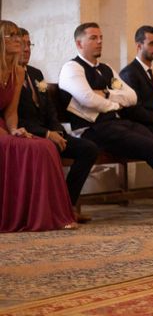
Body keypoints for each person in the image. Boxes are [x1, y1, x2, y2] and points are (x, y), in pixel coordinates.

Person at [57, 22, 153, 214]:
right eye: (93, 38)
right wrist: (114, 102)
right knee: (150, 146)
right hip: (91, 130)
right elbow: (87, 98)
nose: (100, 42)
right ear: (79, 44)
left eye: (101, 37)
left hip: (114, 123)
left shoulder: (106, 69)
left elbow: (132, 97)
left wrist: (105, 95)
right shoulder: (72, 68)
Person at [0, 20, 77, 232]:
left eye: (19, 35)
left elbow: (11, 112)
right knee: (21, 145)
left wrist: (15, 129)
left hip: (6, 127)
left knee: (44, 147)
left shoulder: (19, 72)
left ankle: (48, 214)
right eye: (12, 36)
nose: (19, 40)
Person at [16, 28, 98, 222]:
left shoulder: (36, 73)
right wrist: (46, 133)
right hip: (28, 135)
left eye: (29, 44)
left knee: (88, 149)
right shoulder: (7, 76)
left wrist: (57, 130)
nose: (27, 49)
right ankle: (47, 209)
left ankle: (67, 205)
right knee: (49, 148)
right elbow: (15, 118)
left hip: (51, 132)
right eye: (22, 44)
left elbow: (49, 108)